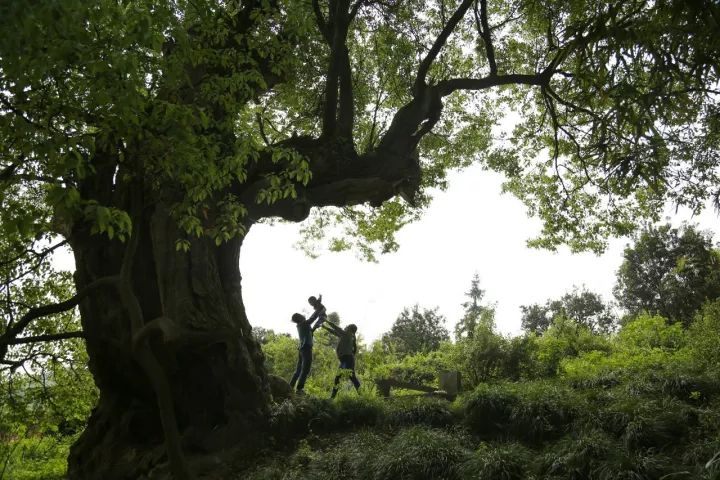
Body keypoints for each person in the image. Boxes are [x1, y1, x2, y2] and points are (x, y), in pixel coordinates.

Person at [323, 321, 361, 398]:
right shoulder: (347, 335)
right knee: (344, 377)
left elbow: (336, 328)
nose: (346, 326)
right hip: (345, 360)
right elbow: (335, 332)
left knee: (349, 377)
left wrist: (326, 321)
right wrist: (324, 327)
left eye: (348, 326)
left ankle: (362, 395)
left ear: (350, 329)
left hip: (347, 360)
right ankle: (332, 397)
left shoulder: (348, 334)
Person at [288, 312, 320, 395]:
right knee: (305, 369)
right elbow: (313, 318)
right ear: (299, 318)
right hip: (306, 349)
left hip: (302, 349)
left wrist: (314, 328)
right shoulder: (304, 323)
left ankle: (290, 387)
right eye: (301, 315)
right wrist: (319, 309)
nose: (303, 315)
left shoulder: (302, 325)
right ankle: (299, 389)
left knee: (299, 370)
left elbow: (309, 333)